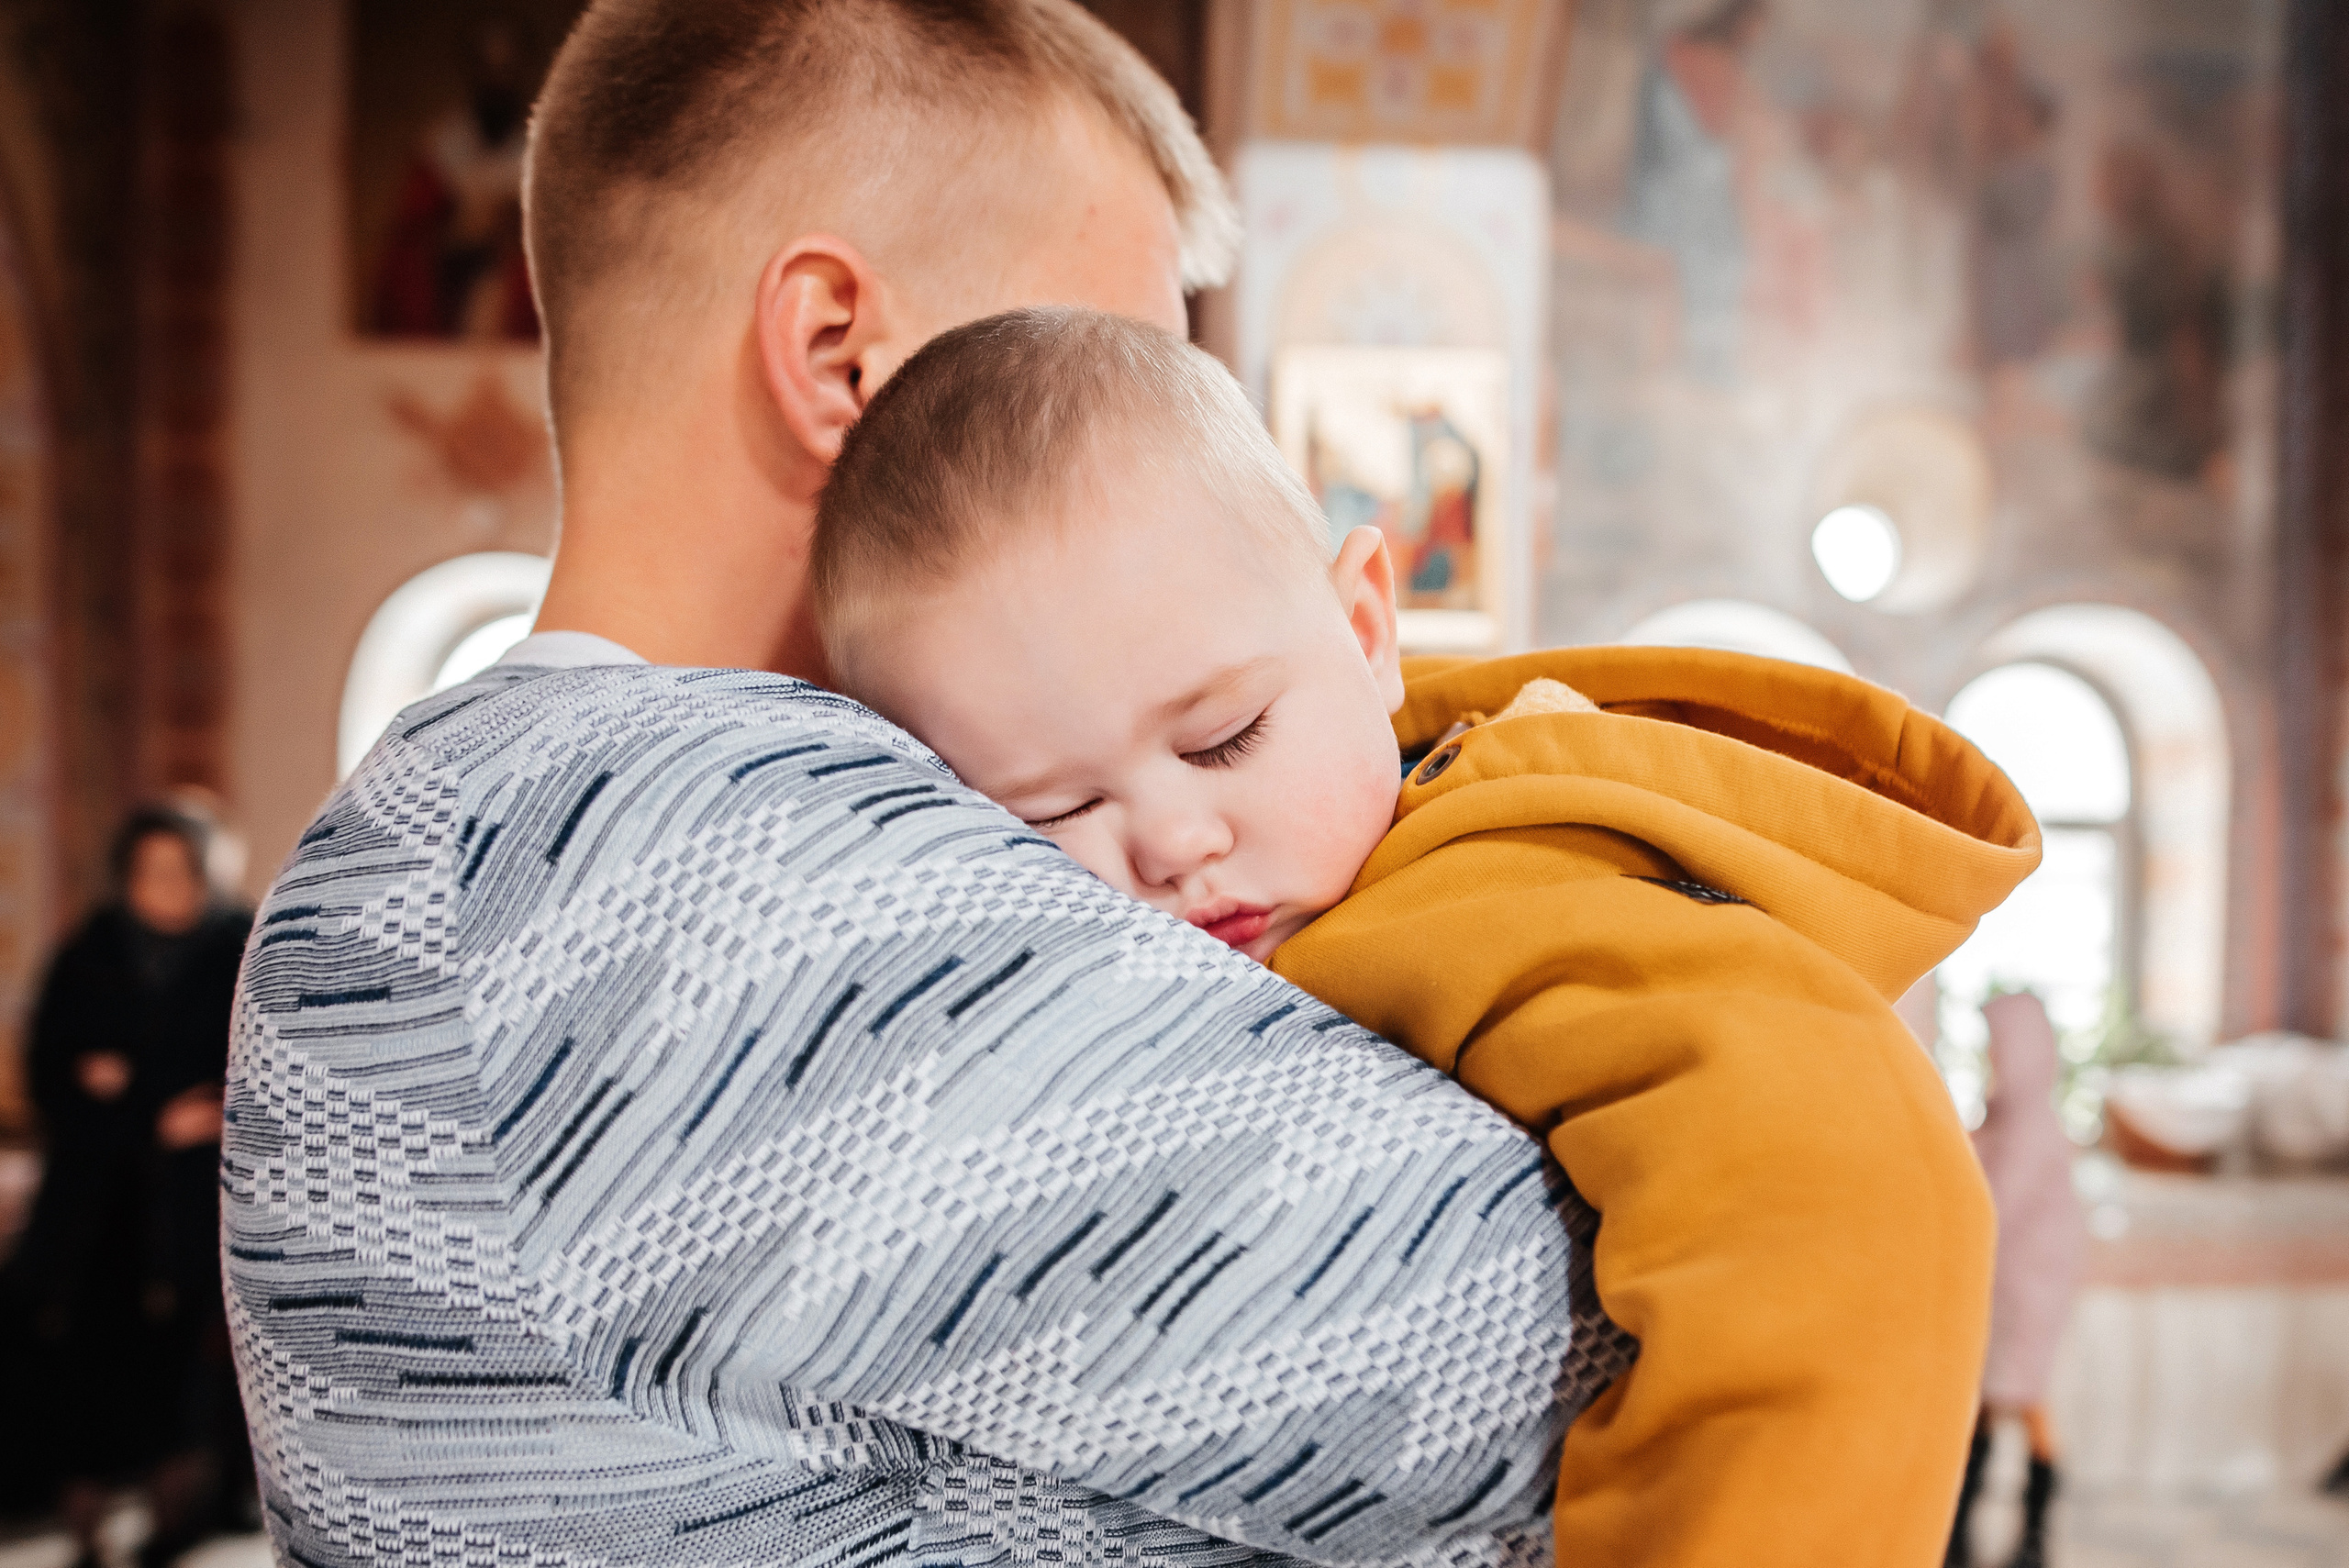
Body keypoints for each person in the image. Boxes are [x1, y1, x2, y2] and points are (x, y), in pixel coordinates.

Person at [227, 6, 1996, 1568]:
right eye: (1086, 363)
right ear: (842, 352)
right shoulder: (662, 849)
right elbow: (1617, 1352)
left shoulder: (467, 836)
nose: (1135, 439)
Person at [812, 306, 2041, 1564]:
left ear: (1366, 632)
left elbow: (1850, 1196)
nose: (1174, 840)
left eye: (1225, 737)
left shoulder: (1514, 890)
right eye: (1052, 811)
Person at [13, 806, 250, 1568]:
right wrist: (153, 1113)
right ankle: (85, 1525)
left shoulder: (237, 945)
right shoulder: (92, 950)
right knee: (84, 1369)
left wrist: (129, 1085)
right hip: (96, 1210)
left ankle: (178, 1519)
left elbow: (240, 1075)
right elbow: (55, 1075)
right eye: (151, 871)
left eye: (182, 870)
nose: (167, 887)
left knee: (185, 1374)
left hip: (197, 1208)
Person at [1947, 992, 2086, 1568]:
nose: (1990, 1059)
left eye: (1995, 1048)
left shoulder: (2031, 1129)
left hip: (2025, 1296)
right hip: (2002, 1292)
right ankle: (1961, 1530)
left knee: (2027, 1403)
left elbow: (1994, 1208)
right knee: (1988, 1404)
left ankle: (2033, 1537)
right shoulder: (2004, 1123)